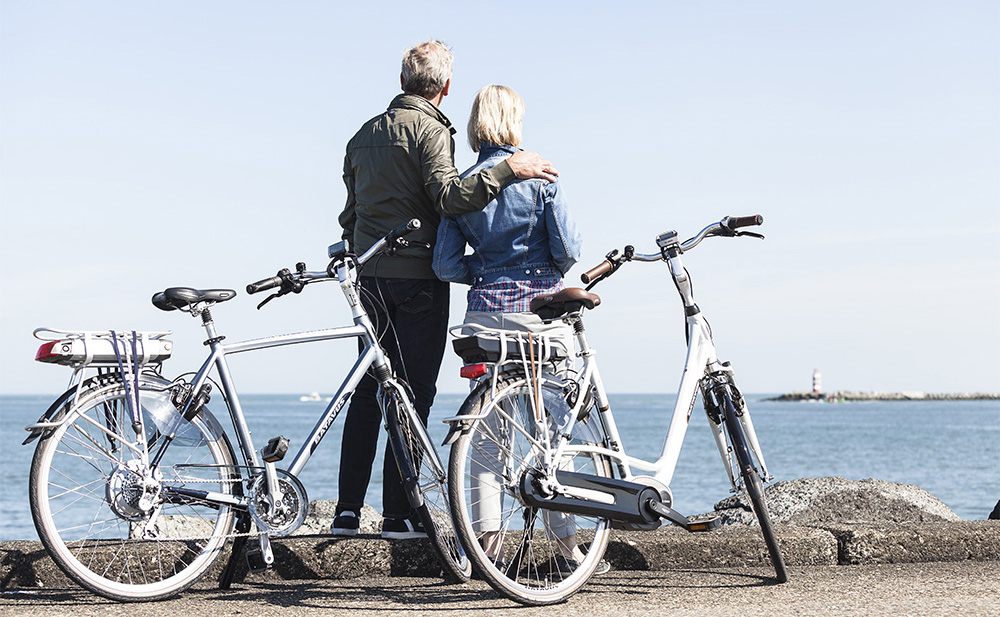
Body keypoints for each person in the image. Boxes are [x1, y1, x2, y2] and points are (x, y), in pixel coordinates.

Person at [333, 41, 558, 540]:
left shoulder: (362, 135)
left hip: (369, 277)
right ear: (445, 87)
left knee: (369, 391)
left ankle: (347, 511)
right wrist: (509, 170)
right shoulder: (432, 130)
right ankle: (400, 513)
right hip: (418, 280)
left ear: (401, 80)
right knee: (413, 394)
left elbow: (350, 215)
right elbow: (449, 197)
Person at [433, 85, 607, 576]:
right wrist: (534, 270)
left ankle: (485, 544)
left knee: (487, 436)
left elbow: (445, 264)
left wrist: (488, 271)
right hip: (539, 315)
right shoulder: (541, 175)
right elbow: (569, 248)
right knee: (553, 433)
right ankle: (569, 546)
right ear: (513, 121)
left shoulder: (461, 184)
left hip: (484, 315)